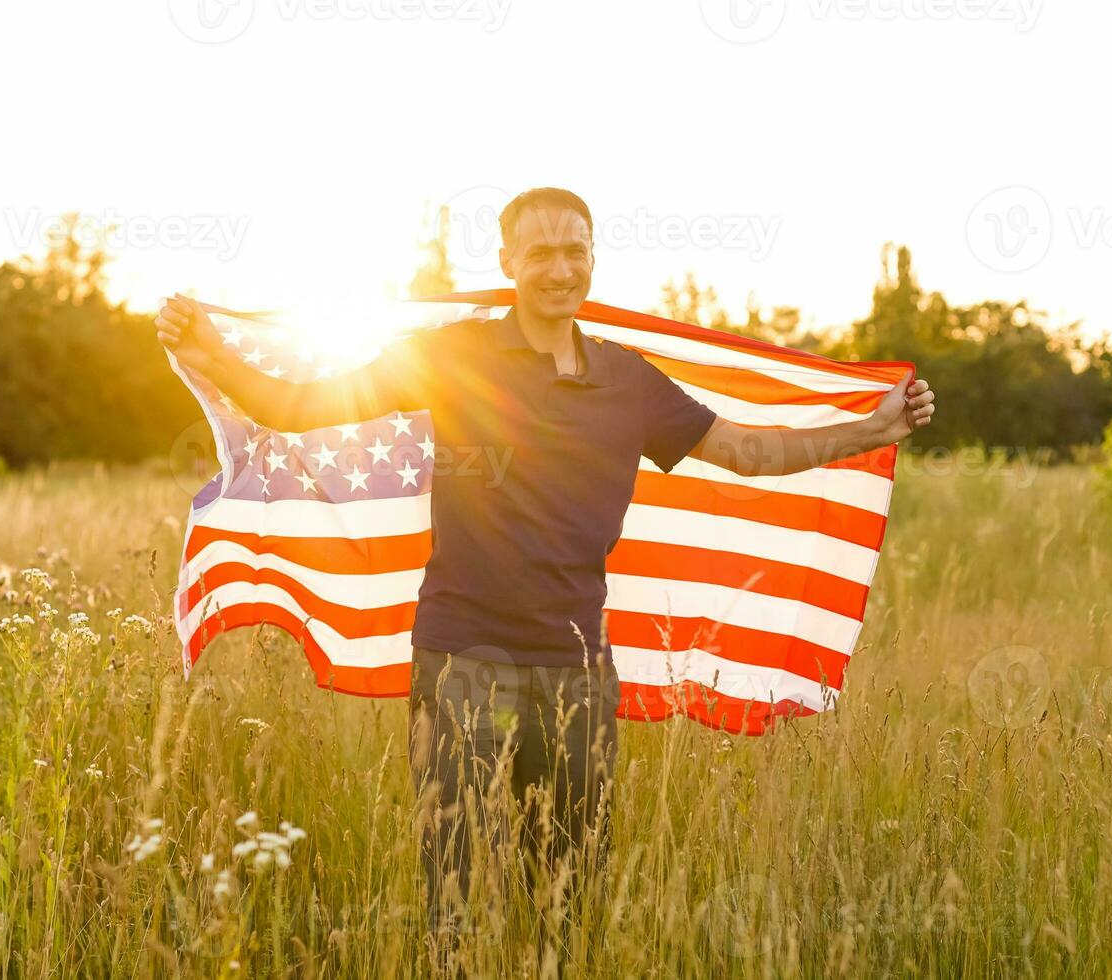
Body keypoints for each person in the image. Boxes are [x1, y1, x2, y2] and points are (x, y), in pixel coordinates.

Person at [155, 187, 935, 958]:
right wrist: (212, 354)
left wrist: (872, 427)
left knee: (570, 898)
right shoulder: (456, 356)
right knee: (452, 894)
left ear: (593, 258)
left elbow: (746, 451)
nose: (559, 269)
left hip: (577, 675)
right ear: (508, 262)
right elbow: (301, 407)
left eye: (575, 251)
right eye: (540, 253)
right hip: (463, 662)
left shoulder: (627, 380)